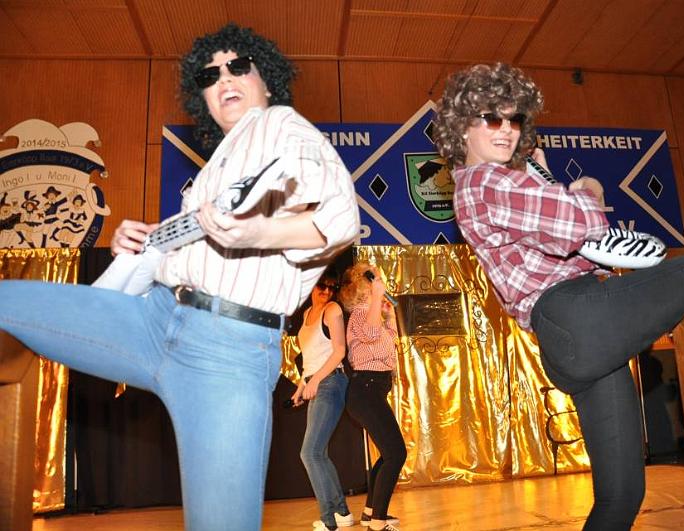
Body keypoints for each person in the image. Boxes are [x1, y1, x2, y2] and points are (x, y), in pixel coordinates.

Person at [0, 23, 359, 531]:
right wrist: (140, 244)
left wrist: (255, 231)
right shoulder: (212, 172)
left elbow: (339, 220)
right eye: (210, 76)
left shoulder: (281, 125)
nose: (224, 78)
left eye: (238, 67)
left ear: (267, 80)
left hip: (228, 350)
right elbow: (156, 265)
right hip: (153, 318)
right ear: (203, 98)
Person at [432, 62, 684, 530]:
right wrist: (588, 190)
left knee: (621, 496)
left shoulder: (487, 187)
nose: (506, 129)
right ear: (462, 125)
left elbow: (563, 243)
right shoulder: (486, 180)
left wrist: (547, 181)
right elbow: (583, 225)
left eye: (514, 118)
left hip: (569, 343)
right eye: (491, 118)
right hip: (575, 314)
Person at [339, 263, 406, 531]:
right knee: (396, 453)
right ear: (364, 285)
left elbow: (388, 340)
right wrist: (378, 298)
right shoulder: (359, 314)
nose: (380, 280)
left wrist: (389, 316)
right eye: (374, 278)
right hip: (365, 389)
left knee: (388, 453)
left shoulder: (372, 314)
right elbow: (370, 334)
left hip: (373, 389)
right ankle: (378, 523)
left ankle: (370, 513)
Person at [291, 268, 354, 531]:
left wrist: (315, 381)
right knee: (319, 453)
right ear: (313, 286)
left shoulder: (333, 310)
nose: (326, 292)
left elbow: (339, 351)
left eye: (332, 288)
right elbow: (310, 359)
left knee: (310, 453)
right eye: (322, 286)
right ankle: (342, 512)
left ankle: (329, 520)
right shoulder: (307, 314)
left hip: (331, 382)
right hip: (317, 382)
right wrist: (302, 386)